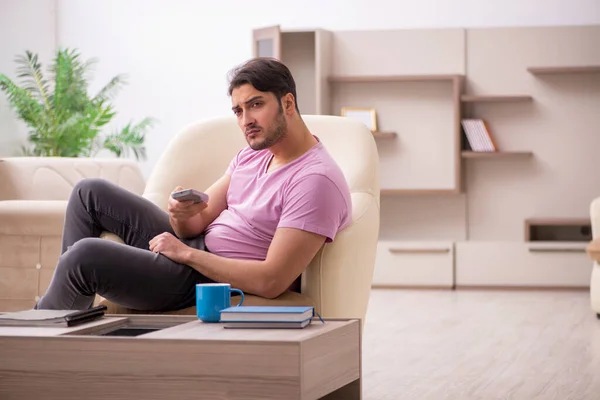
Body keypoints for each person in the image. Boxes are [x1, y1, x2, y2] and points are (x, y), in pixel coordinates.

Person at [35, 57, 352, 311]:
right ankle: (66, 312)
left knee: (85, 255)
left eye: (256, 105)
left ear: (287, 104)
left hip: (203, 277)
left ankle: (43, 328)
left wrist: (185, 254)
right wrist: (180, 214)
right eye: (238, 111)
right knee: (89, 193)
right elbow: (193, 226)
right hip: (195, 249)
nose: (246, 121)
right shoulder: (253, 155)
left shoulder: (315, 181)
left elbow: (273, 280)